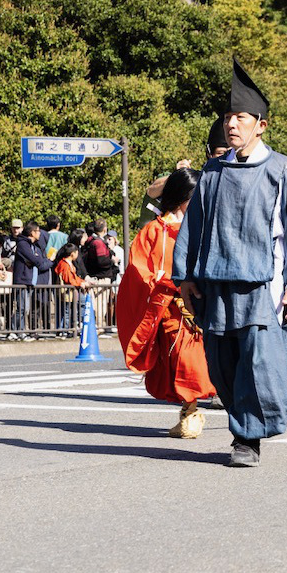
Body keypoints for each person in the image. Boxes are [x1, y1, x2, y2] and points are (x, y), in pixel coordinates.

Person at [172, 59, 287, 467]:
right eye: (227, 118)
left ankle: (247, 439)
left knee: (257, 365)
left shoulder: (281, 170)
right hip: (216, 284)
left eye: (239, 117)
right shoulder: (212, 171)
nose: (231, 125)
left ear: (261, 124)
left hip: (262, 285)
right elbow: (194, 226)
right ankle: (243, 423)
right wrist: (185, 276)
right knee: (222, 365)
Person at [118, 167, 216, 438]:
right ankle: (189, 409)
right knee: (177, 360)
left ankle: (192, 409)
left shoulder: (203, 227)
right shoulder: (153, 230)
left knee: (193, 360)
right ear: (183, 196)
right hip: (168, 306)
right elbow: (139, 269)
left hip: (199, 303)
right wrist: (166, 283)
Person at [12, 222, 54, 339]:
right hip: (22, 281)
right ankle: (16, 331)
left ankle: (19, 331)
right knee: (21, 308)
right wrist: (49, 260)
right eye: (38, 231)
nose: (40, 233)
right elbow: (37, 261)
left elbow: (39, 261)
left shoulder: (33, 245)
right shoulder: (23, 244)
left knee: (25, 308)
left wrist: (42, 260)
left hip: (31, 281)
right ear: (32, 232)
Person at [52, 242, 84, 335]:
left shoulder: (68, 263)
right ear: (72, 253)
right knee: (66, 311)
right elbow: (69, 279)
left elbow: (74, 277)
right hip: (66, 292)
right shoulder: (65, 264)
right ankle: (64, 330)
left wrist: (81, 281)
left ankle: (65, 329)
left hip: (69, 292)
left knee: (67, 310)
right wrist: (80, 283)